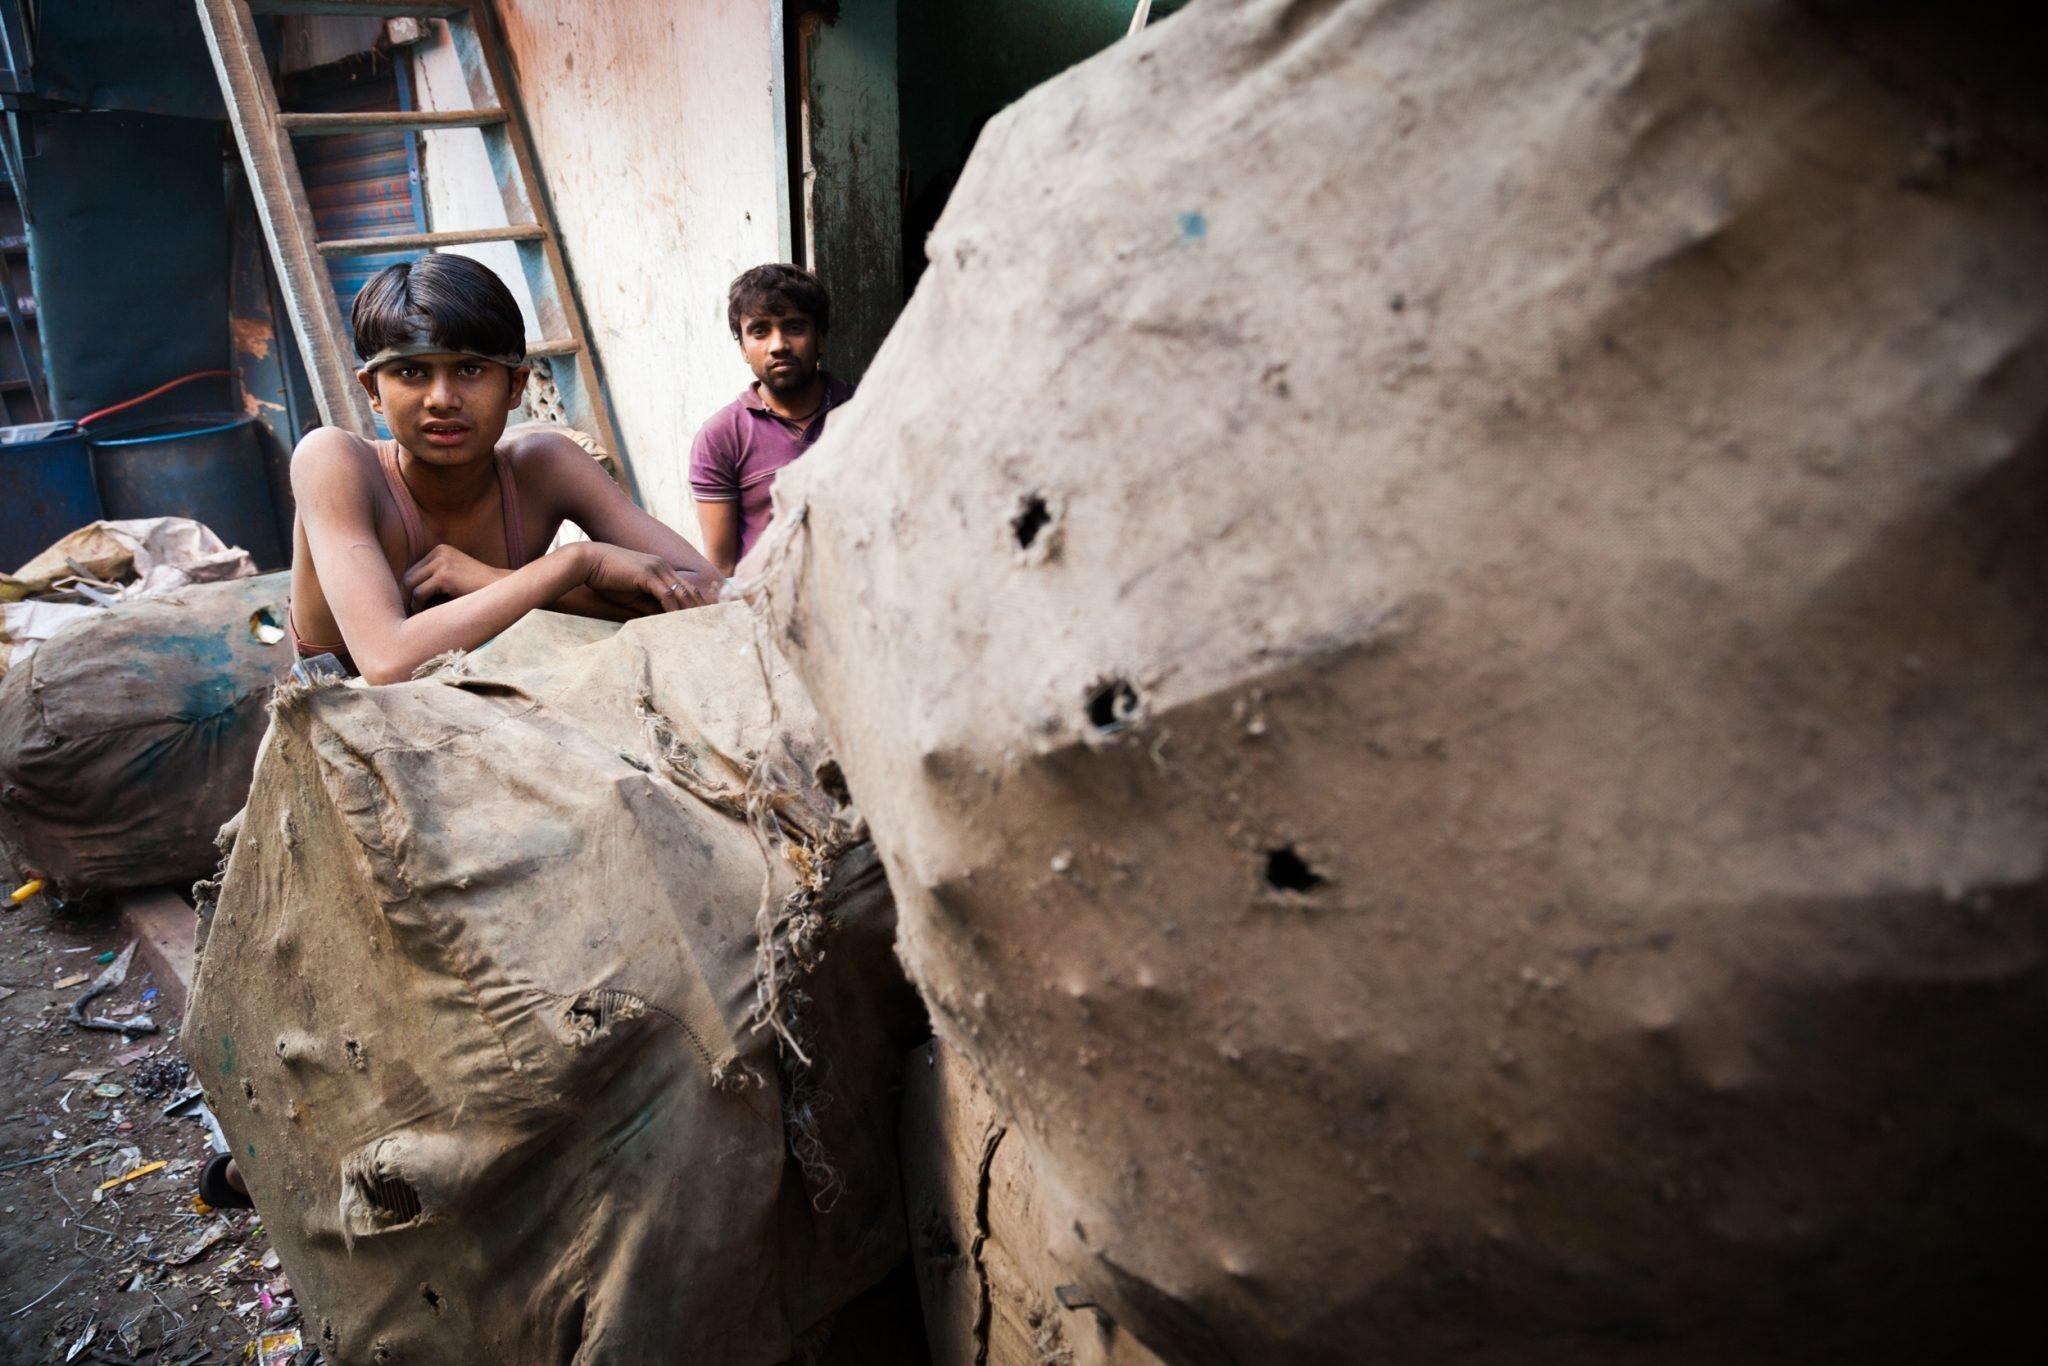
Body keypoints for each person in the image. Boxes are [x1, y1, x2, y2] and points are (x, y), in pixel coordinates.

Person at [289, 254, 721, 683]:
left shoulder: (545, 465)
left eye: (470, 369)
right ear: (373, 391)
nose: (441, 398)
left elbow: (711, 593)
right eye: (411, 372)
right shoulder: (334, 462)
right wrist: (574, 563)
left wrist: (488, 580)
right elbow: (387, 660)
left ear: (515, 385)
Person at [690, 264, 854, 576]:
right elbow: (722, 568)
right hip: (771, 608)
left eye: (794, 327)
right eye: (760, 331)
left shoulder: (865, 412)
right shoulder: (721, 437)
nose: (778, 345)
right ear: (743, 348)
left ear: (820, 338)